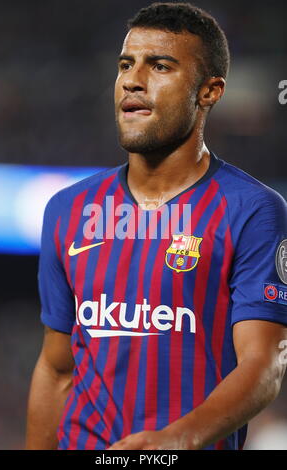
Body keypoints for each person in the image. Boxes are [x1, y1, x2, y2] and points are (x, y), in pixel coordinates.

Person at [26, 2, 287, 450]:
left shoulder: (253, 210)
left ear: (210, 91)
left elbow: (265, 363)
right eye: (126, 64)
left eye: (159, 65)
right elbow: (57, 368)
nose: (132, 79)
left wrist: (178, 438)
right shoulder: (68, 209)